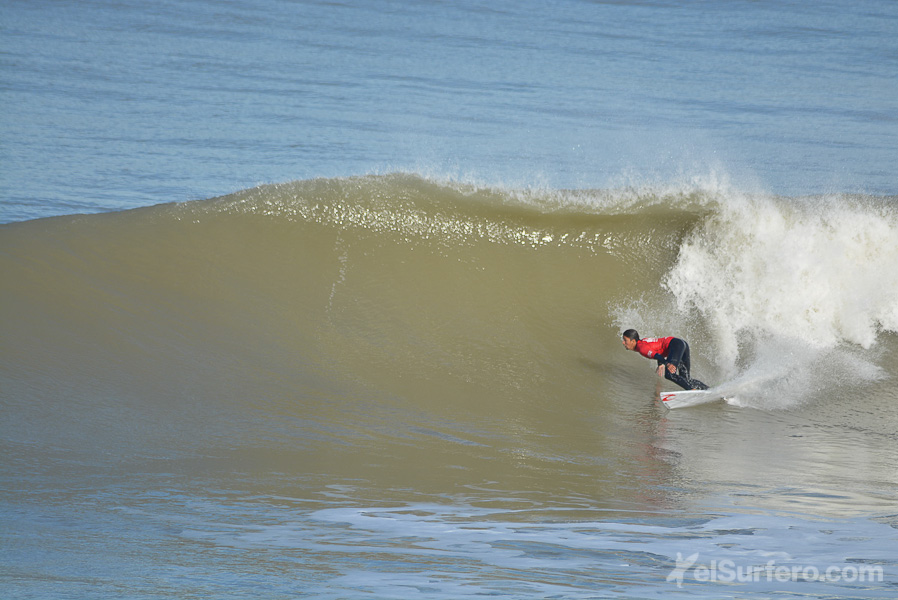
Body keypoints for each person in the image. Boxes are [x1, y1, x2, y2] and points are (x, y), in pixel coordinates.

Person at [621, 329, 708, 391]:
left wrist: (667, 364)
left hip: (675, 345)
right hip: (681, 344)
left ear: (633, 341)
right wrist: (660, 364)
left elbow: (658, 355)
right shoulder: (643, 343)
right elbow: (659, 349)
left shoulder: (642, 348)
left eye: (625, 340)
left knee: (669, 375)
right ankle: (708, 389)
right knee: (686, 379)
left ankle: (691, 390)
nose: (623, 342)